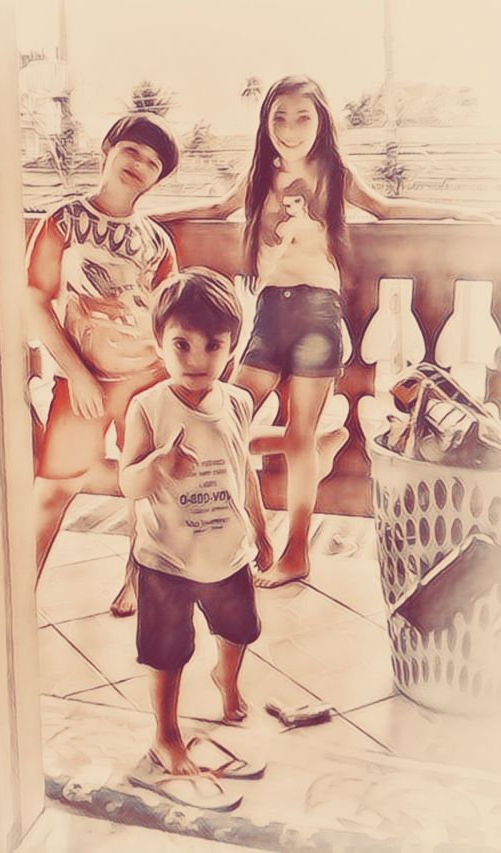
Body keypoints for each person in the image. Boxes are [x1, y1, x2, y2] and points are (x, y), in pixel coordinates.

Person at [158, 74, 492, 589]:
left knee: (294, 439)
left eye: (303, 117)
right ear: (266, 122)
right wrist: (151, 216)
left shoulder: (335, 174)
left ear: (321, 123)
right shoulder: (257, 176)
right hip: (269, 314)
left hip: (318, 313)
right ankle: (281, 501)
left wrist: (458, 211)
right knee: (221, 421)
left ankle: (295, 552)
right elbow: (215, 209)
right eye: (280, 117)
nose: (291, 128)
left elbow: (384, 208)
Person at [120, 268, 272, 774]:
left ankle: (226, 681)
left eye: (213, 346)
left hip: (228, 551)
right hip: (166, 558)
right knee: (166, 652)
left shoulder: (239, 403)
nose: (196, 359)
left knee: (240, 630)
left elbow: (242, 469)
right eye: (181, 344)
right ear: (158, 342)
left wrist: (261, 528)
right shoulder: (147, 408)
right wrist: (158, 466)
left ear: (232, 348)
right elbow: (128, 482)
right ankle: (166, 733)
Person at [27, 113, 179, 613]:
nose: (140, 164)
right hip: (82, 380)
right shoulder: (63, 221)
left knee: (144, 487)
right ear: (108, 150)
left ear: (158, 178)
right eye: (132, 150)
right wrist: (76, 373)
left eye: (153, 162)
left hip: (147, 379)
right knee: (54, 488)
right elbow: (35, 299)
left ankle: (135, 581)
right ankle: (17, 593)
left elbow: (168, 315)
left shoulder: (156, 240)